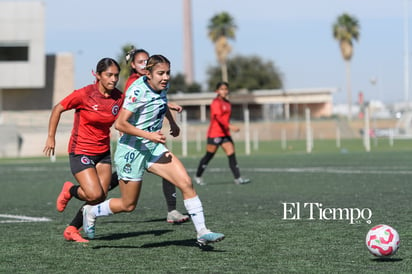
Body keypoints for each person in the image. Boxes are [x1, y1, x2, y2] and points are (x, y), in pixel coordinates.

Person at [82, 54, 225, 246]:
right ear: (148, 73)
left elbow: (161, 103)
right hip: (131, 150)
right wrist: (149, 135)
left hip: (153, 147)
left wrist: (172, 122)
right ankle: (91, 211)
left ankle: (202, 231)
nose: (165, 77)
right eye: (161, 73)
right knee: (128, 204)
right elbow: (120, 124)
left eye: (168, 73)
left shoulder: (163, 86)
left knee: (185, 183)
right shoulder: (137, 91)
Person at [43, 58, 123, 243]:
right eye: (109, 75)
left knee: (100, 197)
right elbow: (57, 109)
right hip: (81, 150)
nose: (113, 79)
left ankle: (72, 229)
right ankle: (70, 190)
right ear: (98, 75)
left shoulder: (119, 97)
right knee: (94, 194)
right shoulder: (85, 94)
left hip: (103, 152)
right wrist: (51, 137)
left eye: (116, 75)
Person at [123, 47, 189, 224]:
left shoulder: (158, 80)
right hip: (133, 142)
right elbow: (126, 117)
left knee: (171, 170)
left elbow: (159, 102)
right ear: (133, 65)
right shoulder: (134, 84)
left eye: (146, 60)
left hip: (152, 140)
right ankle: (91, 205)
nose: (144, 64)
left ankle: (172, 209)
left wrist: (172, 121)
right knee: (123, 199)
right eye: (140, 62)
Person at [194, 81, 251, 185]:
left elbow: (225, 118)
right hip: (215, 133)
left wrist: (228, 128)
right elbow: (218, 118)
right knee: (209, 156)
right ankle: (198, 176)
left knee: (231, 154)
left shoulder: (227, 103)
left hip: (225, 134)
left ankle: (238, 178)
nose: (224, 91)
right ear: (217, 91)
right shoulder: (216, 102)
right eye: (222, 89)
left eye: (226, 89)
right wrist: (230, 126)